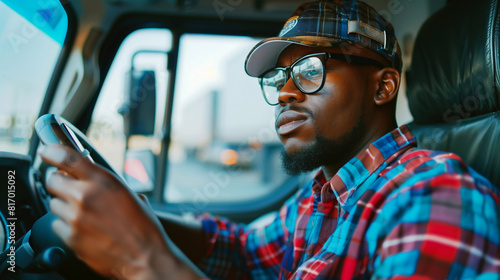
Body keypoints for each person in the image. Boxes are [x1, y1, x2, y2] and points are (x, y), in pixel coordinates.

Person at [39, 0, 500, 279]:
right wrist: (132, 211)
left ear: (382, 87)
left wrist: (145, 259)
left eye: (310, 71)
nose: (283, 92)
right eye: (281, 77)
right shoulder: (324, 195)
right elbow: (242, 252)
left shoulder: (435, 197)